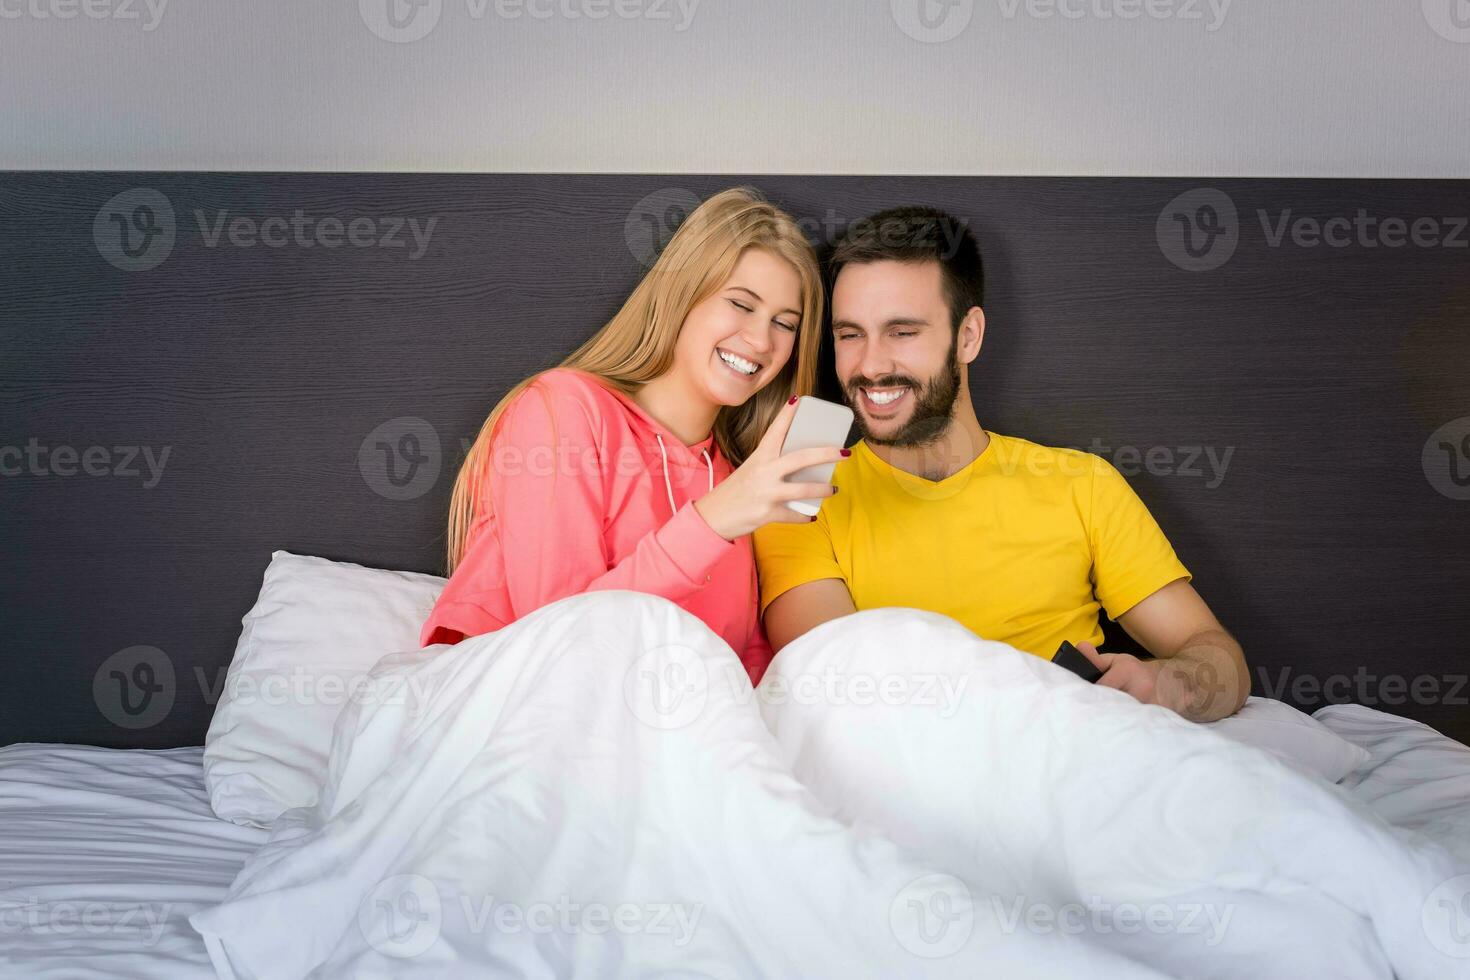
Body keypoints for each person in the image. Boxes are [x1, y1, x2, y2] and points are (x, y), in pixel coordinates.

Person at [753, 206, 1251, 720]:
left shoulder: (1082, 485)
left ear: (968, 336)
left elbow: (1222, 663)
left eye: (902, 332)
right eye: (850, 334)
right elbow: (836, 684)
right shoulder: (799, 496)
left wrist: (1163, 684)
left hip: (1081, 751)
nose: (872, 365)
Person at [420, 187, 845, 685]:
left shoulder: (736, 478)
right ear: (683, 295)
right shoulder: (563, 409)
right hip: (526, 710)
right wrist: (712, 521)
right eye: (740, 304)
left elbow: (744, 660)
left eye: (784, 324)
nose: (760, 340)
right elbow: (558, 637)